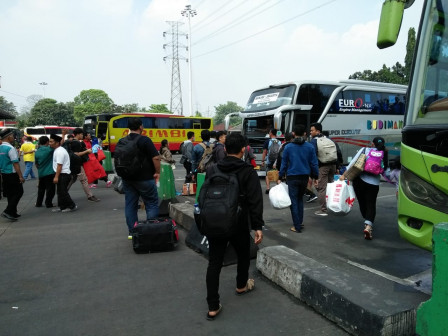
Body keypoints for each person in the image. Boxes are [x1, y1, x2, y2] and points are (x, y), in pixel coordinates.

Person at [204, 133, 264, 320]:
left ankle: (213, 306)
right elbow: (255, 201)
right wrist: (257, 226)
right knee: (243, 254)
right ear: (243, 149)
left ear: (225, 148)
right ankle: (241, 285)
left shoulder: (213, 168)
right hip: (238, 222)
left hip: (215, 220)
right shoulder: (247, 171)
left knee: (214, 262)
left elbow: (204, 195)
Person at [339, 137, 389, 240]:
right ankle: (368, 225)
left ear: (372, 144)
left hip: (359, 180)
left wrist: (344, 175)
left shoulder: (365, 150)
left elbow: (353, 163)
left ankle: (366, 220)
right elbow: (385, 170)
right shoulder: (384, 152)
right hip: (374, 183)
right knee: (371, 204)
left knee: (362, 203)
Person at [122, 118, 161, 239]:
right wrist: (157, 172)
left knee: (130, 205)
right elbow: (156, 157)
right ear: (140, 127)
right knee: (151, 203)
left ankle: (133, 233)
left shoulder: (122, 141)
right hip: (145, 178)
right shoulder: (145, 140)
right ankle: (151, 232)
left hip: (127, 178)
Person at [278, 125, 319, 233]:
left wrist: (280, 176)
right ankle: (299, 222)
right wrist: (316, 176)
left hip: (292, 177)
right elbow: (314, 163)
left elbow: (284, 164)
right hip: (305, 177)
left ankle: (297, 226)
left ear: (293, 133)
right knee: (300, 199)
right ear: (305, 133)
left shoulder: (288, 147)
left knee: (294, 201)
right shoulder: (309, 147)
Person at [310, 122, 339, 216]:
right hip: (333, 165)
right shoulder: (329, 139)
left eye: (312, 130)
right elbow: (337, 152)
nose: (310, 132)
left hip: (323, 166)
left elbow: (313, 156)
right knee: (330, 186)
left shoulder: (314, 141)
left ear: (317, 131)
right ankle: (332, 205)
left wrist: (313, 172)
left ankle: (323, 210)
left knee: (321, 188)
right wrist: (337, 167)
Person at [67, 128, 100, 202]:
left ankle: (63, 193)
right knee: (84, 180)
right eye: (81, 134)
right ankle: (90, 196)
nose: (82, 135)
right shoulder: (76, 143)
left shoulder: (73, 142)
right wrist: (86, 151)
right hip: (77, 164)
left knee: (73, 179)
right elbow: (76, 154)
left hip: (74, 164)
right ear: (78, 134)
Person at [0, 128, 25, 220]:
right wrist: (21, 176)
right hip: (12, 174)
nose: (13, 138)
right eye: (12, 136)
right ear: (9, 137)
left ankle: (13, 212)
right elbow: (15, 163)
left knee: (10, 194)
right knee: (19, 192)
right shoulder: (10, 148)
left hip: (4, 174)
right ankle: (8, 211)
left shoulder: (0, 147)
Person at [50, 134, 77, 213]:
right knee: (60, 192)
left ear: (57, 143)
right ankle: (62, 206)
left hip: (63, 174)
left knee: (63, 192)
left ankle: (72, 206)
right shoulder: (58, 150)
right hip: (62, 174)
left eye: (51, 142)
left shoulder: (60, 152)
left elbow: (59, 165)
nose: (50, 143)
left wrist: (56, 177)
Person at [34, 136, 56, 208]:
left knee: (41, 189)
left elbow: (36, 164)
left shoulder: (37, 152)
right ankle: (48, 203)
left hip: (41, 173)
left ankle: (38, 203)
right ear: (47, 142)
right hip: (49, 172)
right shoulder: (50, 150)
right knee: (50, 189)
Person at [261, 128, 280, 194]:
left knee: (267, 174)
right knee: (277, 174)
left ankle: (268, 188)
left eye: (269, 132)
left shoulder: (267, 141)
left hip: (269, 160)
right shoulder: (279, 142)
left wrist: (262, 160)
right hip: (277, 161)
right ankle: (279, 188)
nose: (269, 134)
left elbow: (264, 152)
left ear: (271, 133)